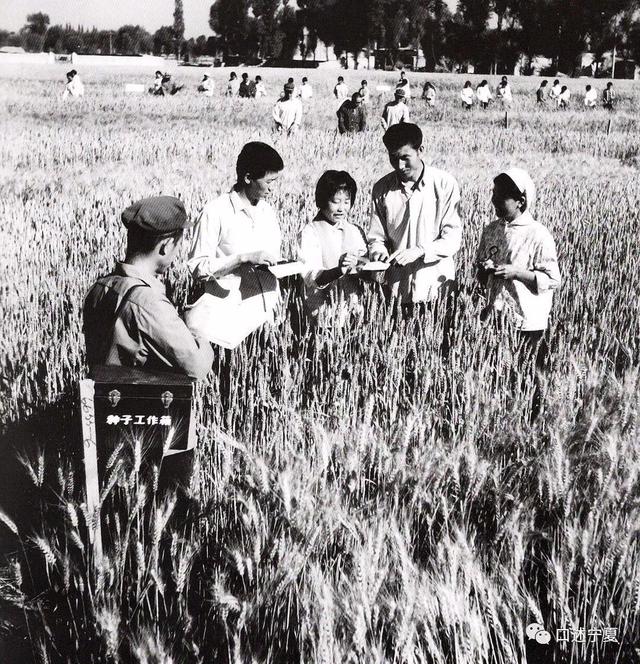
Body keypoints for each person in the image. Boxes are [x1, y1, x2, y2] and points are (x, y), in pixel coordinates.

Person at [83, 196, 213, 380]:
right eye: (178, 245)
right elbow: (197, 368)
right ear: (165, 246)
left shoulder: (100, 287)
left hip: (102, 402)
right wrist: (196, 330)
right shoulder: (149, 303)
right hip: (138, 406)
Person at [476, 168, 560, 419]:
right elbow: (480, 275)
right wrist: (485, 270)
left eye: (500, 196)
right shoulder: (490, 230)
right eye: (493, 193)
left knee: (529, 383)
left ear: (520, 201)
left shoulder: (538, 234)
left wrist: (517, 273)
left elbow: (553, 279)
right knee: (499, 381)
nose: (493, 199)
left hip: (527, 322)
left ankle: (529, 430)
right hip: (496, 319)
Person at [187, 142, 284, 324]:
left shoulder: (268, 212)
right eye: (269, 182)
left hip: (268, 316)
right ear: (248, 178)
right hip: (229, 317)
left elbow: (274, 259)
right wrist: (241, 259)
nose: (273, 188)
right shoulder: (214, 212)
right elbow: (197, 268)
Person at [368, 123, 463, 305]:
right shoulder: (381, 189)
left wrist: (420, 251)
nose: (400, 165)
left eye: (405, 157)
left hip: (436, 289)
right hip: (397, 290)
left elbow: (452, 239)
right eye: (393, 158)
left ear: (420, 151)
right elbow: (377, 237)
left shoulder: (445, 184)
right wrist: (378, 252)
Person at [297, 170, 368, 323]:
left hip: (353, 311)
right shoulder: (311, 232)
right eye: (335, 202)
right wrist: (338, 270)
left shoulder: (354, 231)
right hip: (322, 314)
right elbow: (312, 277)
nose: (341, 208)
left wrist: (361, 263)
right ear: (322, 201)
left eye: (347, 202)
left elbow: (366, 263)